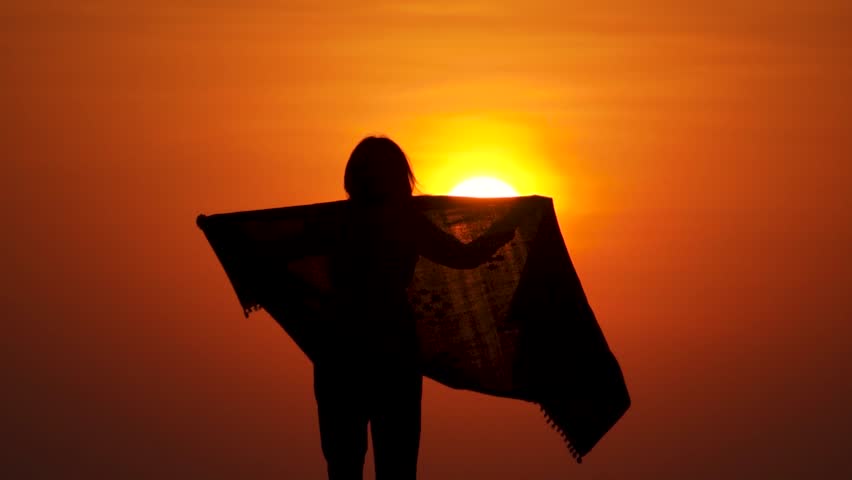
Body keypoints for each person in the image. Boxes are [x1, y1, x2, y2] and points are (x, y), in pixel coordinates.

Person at [312, 136, 515, 480]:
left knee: (345, 463)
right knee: (395, 462)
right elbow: (463, 256)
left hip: (342, 346)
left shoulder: (334, 222)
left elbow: (277, 248)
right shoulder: (399, 221)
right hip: (386, 346)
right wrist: (508, 227)